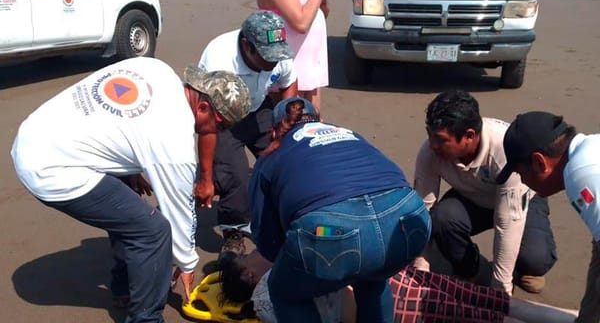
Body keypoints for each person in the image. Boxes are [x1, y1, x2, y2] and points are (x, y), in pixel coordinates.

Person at [10, 57, 251, 323]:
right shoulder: (174, 144)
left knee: (127, 211)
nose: (219, 134)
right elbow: (178, 212)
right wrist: (187, 263)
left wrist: (128, 167)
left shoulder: (155, 69)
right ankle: (145, 318)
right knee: (153, 232)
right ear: (203, 107)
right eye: (222, 126)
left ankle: (123, 286)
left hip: (39, 131)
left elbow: (119, 114)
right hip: (49, 169)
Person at [248, 96, 430, 323]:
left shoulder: (272, 155)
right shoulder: (350, 134)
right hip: (406, 217)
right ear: (320, 120)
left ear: (274, 132)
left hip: (332, 232)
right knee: (373, 279)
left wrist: (310, 266)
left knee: (284, 293)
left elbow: (268, 239)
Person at [413, 90, 557, 294]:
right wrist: (420, 266)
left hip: (520, 200)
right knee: (442, 219)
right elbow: (422, 209)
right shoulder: (429, 152)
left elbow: (508, 222)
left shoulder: (504, 149)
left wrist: (501, 289)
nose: (433, 144)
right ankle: (469, 268)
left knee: (535, 259)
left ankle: (521, 268)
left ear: (469, 136)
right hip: (472, 197)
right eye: (429, 135)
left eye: (441, 139)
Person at [219, 249, 579, 323]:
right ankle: (573, 318)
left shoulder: (274, 287)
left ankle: (574, 318)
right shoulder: (271, 286)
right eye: (249, 257)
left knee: (485, 307)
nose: (256, 252)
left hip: (385, 286)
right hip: (388, 295)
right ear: (249, 275)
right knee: (488, 310)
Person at [195, 10, 298, 255]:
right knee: (236, 175)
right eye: (266, 57)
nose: (274, 62)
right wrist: (206, 179)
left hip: (258, 106)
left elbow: (289, 82)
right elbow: (208, 124)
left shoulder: (278, 52)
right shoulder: (220, 59)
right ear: (246, 46)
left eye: (277, 56)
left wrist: (284, 121)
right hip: (222, 115)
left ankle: (287, 215)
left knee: (288, 158)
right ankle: (233, 231)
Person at [498, 111, 600, 322]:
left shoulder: (580, 173)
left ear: (539, 162)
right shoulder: (590, 148)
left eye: (520, 173)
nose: (523, 182)